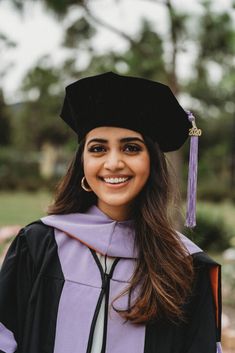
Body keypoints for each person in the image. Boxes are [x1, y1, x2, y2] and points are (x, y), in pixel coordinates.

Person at [0, 71, 222, 353]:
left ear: (151, 163)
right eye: (98, 149)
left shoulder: (187, 267)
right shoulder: (39, 246)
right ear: (82, 163)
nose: (113, 162)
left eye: (131, 148)